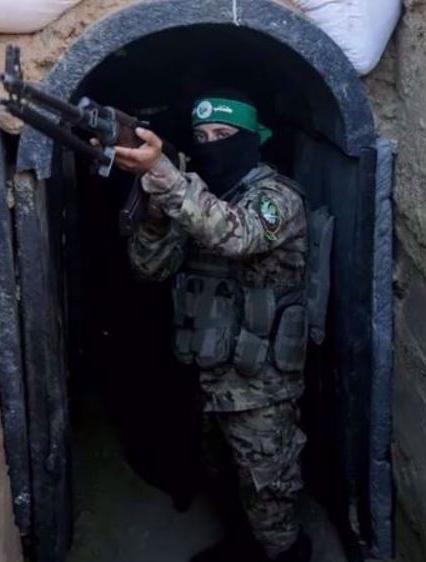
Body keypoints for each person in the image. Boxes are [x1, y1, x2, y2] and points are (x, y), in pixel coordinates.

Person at [111, 90, 312, 562]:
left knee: (269, 488)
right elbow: (149, 269)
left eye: (223, 135)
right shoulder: (198, 200)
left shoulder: (276, 197)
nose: (211, 144)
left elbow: (237, 235)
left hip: (261, 381)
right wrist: (158, 219)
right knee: (222, 473)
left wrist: (165, 177)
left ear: (251, 140)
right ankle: (243, 546)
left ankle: (285, 555)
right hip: (208, 369)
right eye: (201, 137)